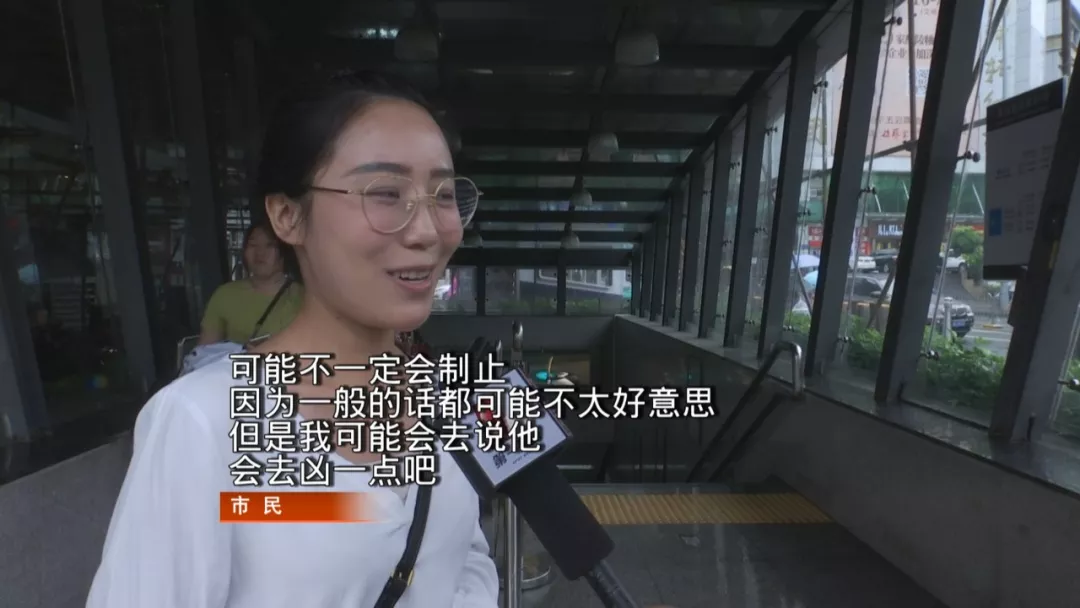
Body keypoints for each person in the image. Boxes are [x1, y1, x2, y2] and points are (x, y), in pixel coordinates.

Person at [87, 74, 497, 607]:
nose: (427, 231)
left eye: (443, 195)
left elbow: (464, 562)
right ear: (287, 216)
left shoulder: (440, 398)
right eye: (385, 193)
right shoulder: (204, 421)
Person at [198, 223, 304, 346]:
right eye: (253, 245)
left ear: (285, 252)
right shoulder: (225, 295)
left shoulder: (304, 298)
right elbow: (205, 351)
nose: (260, 252)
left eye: (270, 245)